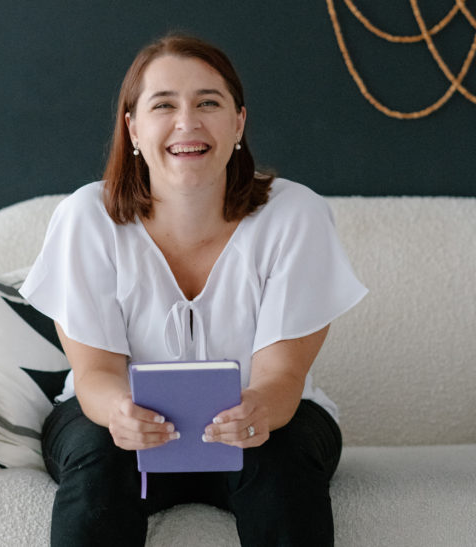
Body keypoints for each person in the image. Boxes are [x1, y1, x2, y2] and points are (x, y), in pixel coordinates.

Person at [20, 33, 367, 547]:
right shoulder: (85, 219)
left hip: (267, 423)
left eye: (209, 102)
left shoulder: (297, 217)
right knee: (99, 455)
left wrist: (259, 410)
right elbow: (95, 373)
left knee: (281, 455)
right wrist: (119, 411)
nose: (188, 122)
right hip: (111, 424)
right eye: (164, 105)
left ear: (238, 123)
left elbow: (282, 377)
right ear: (132, 128)